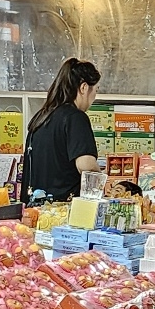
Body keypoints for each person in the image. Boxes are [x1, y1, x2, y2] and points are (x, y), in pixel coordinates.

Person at [22, 59, 102, 202]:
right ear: (84, 88)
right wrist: (103, 182)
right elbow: (86, 166)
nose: (94, 98)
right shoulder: (75, 118)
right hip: (63, 211)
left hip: (34, 209)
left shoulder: (42, 116)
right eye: (95, 90)